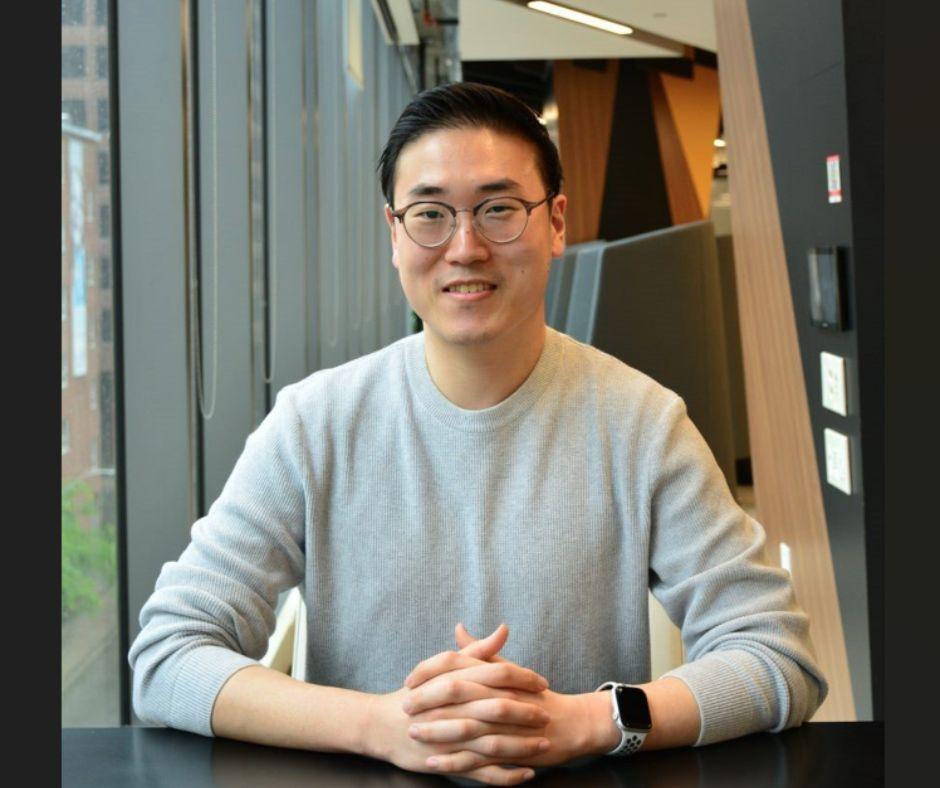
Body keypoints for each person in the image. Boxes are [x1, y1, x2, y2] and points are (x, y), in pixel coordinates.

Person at [129, 82, 827, 786]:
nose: (465, 248)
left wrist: (591, 720)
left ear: (556, 223)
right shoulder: (314, 425)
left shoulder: (641, 424)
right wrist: (382, 725)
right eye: (430, 214)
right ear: (394, 235)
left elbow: (776, 655)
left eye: (498, 210)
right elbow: (168, 653)